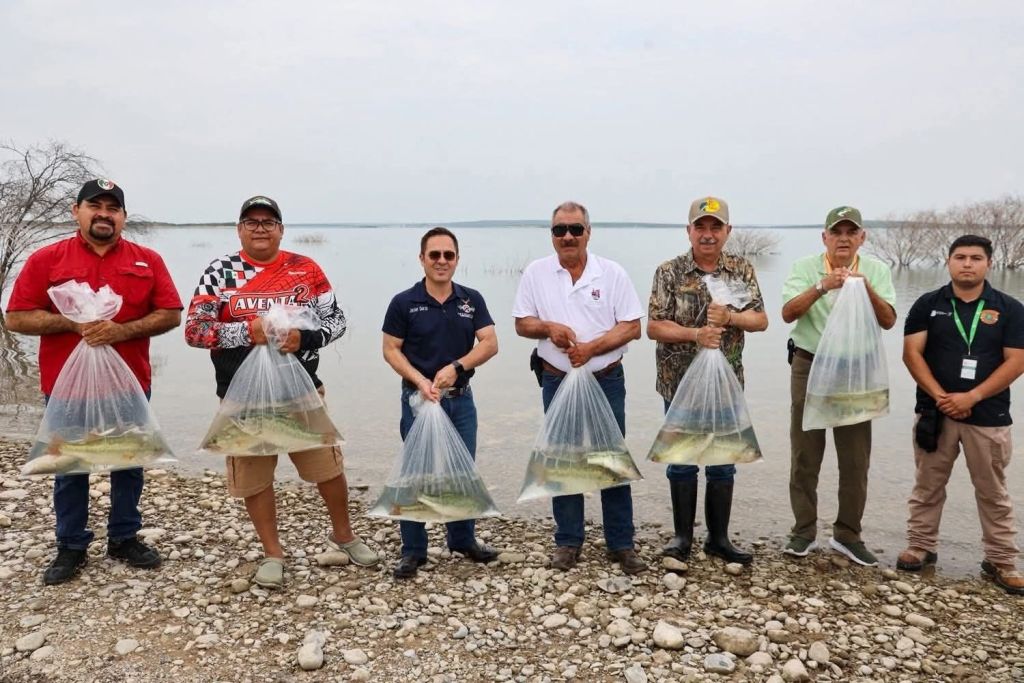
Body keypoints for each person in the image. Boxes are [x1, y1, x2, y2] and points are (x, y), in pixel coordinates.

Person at [185, 195, 378, 588]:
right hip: (243, 398)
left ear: (281, 229)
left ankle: (344, 535)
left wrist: (305, 338)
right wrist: (247, 332)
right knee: (255, 476)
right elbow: (195, 330)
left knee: (328, 468)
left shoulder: (305, 268)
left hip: (301, 392)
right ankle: (273, 552)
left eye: (268, 222)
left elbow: (337, 320)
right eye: (252, 222)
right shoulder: (220, 271)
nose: (260, 228)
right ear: (239, 229)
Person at [6, 179, 182, 585]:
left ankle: (124, 537)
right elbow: (16, 317)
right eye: (95, 206)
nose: (104, 214)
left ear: (123, 217)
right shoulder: (47, 259)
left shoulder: (147, 260)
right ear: (76, 211)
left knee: (130, 461)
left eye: (112, 208)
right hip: (66, 385)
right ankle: (70, 544)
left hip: (129, 383)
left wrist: (121, 330)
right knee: (69, 464)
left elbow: (171, 313)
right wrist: (72, 322)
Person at [513, 201, 646, 575]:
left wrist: (591, 349)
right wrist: (548, 328)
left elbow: (632, 327)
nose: (568, 236)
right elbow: (522, 323)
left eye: (575, 229)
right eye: (560, 230)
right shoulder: (536, 272)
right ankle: (568, 541)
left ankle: (621, 543)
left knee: (611, 457)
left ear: (588, 232)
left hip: (606, 379)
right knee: (562, 458)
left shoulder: (612, 273)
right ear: (552, 235)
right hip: (556, 379)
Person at [899, 235, 1024, 594]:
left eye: (975, 258)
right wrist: (941, 397)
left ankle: (1001, 559)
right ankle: (921, 546)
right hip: (934, 412)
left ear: (989, 263)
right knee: (927, 485)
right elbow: (911, 354)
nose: (967, 264)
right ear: (949, 261)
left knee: (992, 490)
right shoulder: (928, 304)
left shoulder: (1010, 308)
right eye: (960, 257)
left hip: (988, 414)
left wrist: (973, 396)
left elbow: (1017, 360)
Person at [647, 197, 768, 566]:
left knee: (722, 463)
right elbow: (654, 326)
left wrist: (731, 318)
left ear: (728, 231)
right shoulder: (668, 272)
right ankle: (682, 538)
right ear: (689, 231)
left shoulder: (741, 270)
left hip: (725, 385)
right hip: (679, 384)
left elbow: (760, 320)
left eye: (716, 227)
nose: (708, 234)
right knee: (682, 461)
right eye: (701, 226)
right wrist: (695, 334)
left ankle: (718, 539)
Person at [382, 227, 500, 579]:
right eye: (434, 254)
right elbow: (390, 349)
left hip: (460, 401)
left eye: (448, 255)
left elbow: (490, 343)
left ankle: (462, 539)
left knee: (462, 470)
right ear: (422, 259)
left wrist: (457, 367)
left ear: (457, 259)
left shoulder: (470, 300)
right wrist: (420, 380)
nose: (441, 261)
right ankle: (413, 550)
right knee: (415, 473)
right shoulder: (404, 302)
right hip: (418, 401)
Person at [781, 205, 896, 566]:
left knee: (855, 459)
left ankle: (848, 534)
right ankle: (803, 531)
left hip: (857, 371)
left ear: (862, 237)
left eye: (851, 232)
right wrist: (822, 286)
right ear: (824, 237)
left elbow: (889, 320)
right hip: (810, 365)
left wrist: (866, 289)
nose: (843, 239)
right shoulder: (804, 267)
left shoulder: (876, 269)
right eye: (836, 232)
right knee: (804, 454)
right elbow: (788, 313)